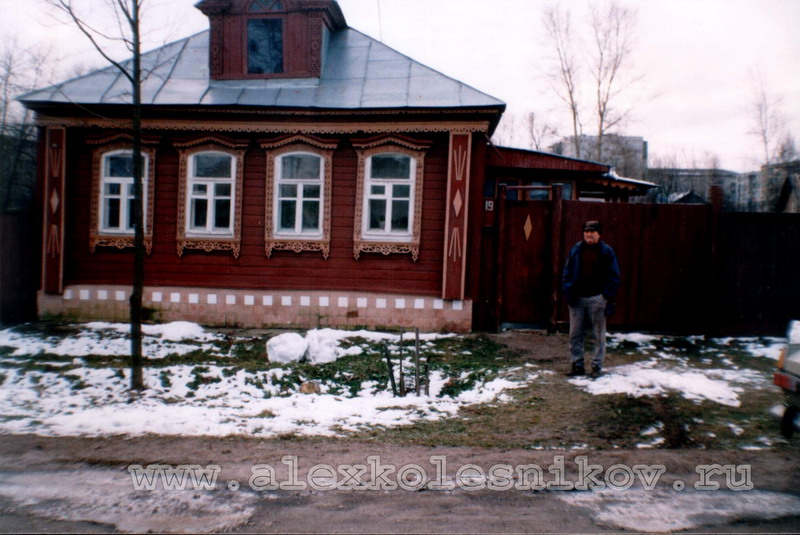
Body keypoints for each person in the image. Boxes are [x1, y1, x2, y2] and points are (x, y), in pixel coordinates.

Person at [561, 220, 621, 378]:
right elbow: (566, 273)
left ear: (599, 234)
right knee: (575, 334)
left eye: (592, 232)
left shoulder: (607, 252)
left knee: (598, 335)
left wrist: (606, 296)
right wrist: (569, 292)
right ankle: (577, 365)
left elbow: (614, 276)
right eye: (586, 231)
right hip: (577, 299)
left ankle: (597, 367)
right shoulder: (576, 249)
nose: (588, 234)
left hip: (597, 299)